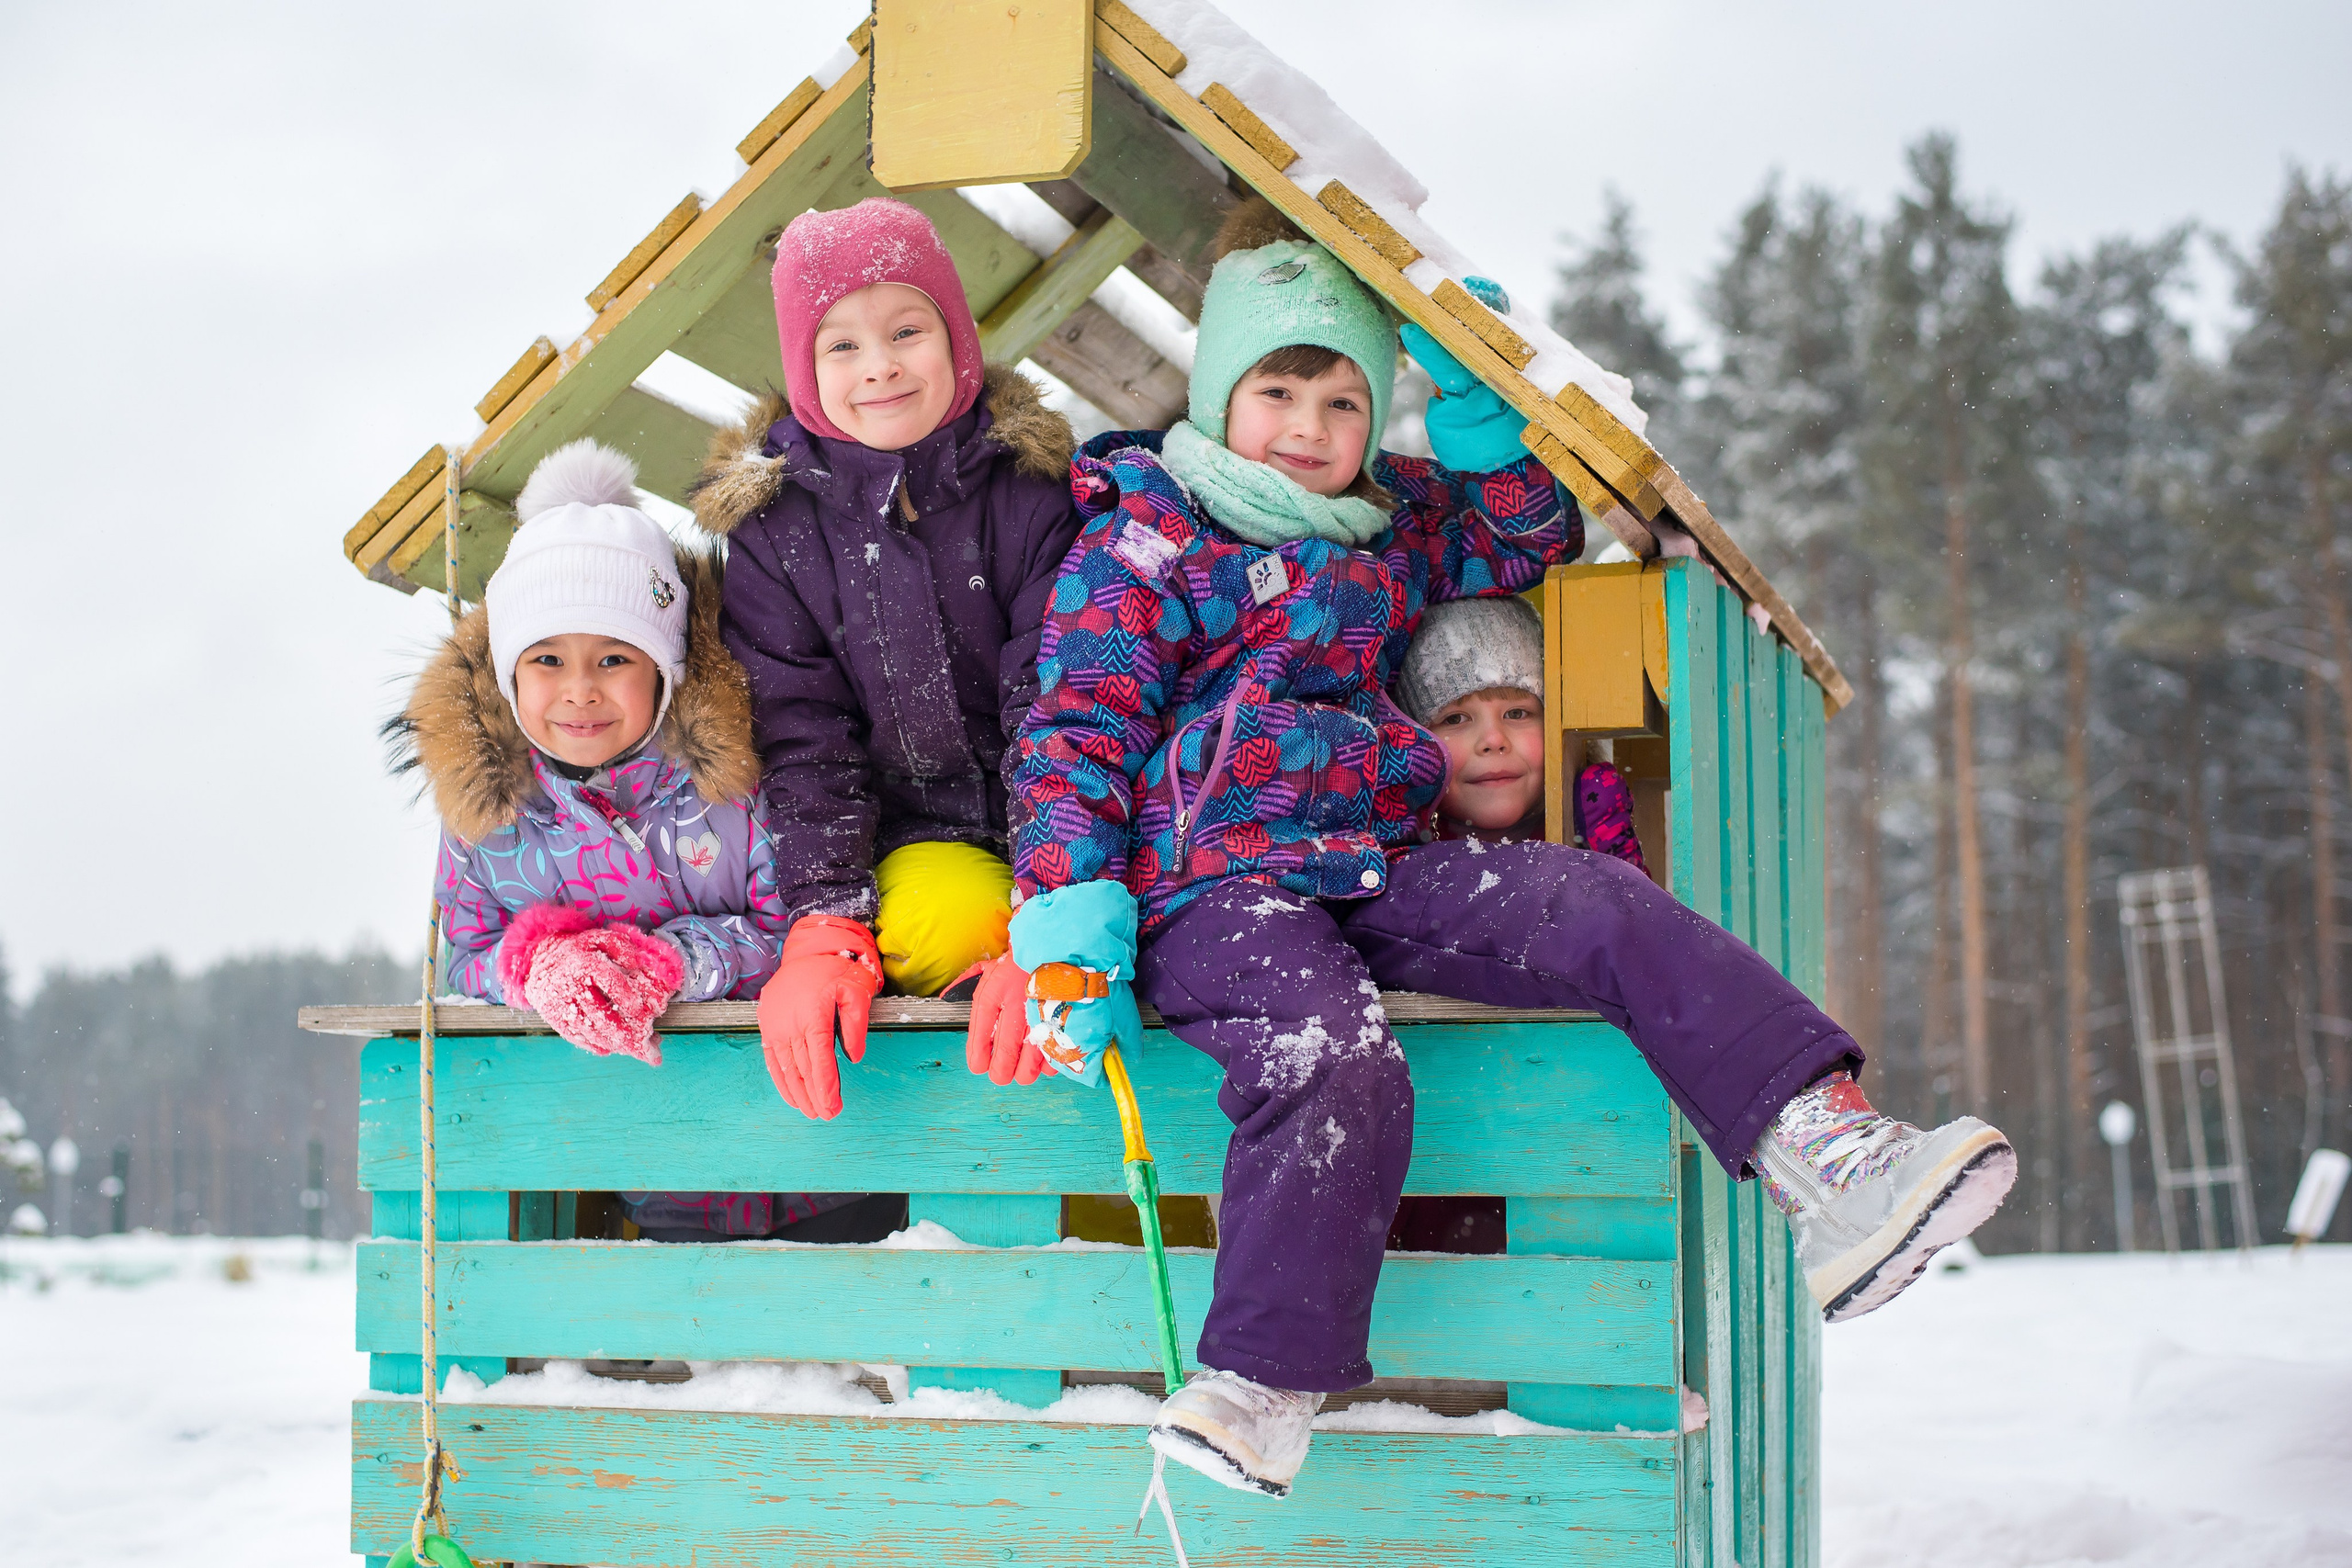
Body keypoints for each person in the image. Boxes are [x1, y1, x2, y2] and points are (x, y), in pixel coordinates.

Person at [967, 199, 2017, 1498]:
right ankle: (1260, 1383)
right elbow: (1077, 723)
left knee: (1595, 898)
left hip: (1371, 863)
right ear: (1220, 391)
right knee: (1331, 1049)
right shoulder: (1147, 533)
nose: (1308, 428)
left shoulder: (1392, 525)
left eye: (1344, 399)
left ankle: (1832, 1151)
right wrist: (1067, 910)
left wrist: (1472, 396)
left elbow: (1526, 532)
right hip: (1209, 889)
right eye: (1277, 389)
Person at [393, 438, 884, 1243]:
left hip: (815, 1155)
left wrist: (673, 959)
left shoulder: (731, 780)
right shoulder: (492, 813)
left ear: (664, 666)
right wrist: (538, 965)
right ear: (512, 673)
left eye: (614, 658)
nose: (579, 690)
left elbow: (791, 925)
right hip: (651, 1166)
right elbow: (467, 953)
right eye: (547, 659)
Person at [689, 197, 1081, 1125]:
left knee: (1084, 952)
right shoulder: (776, 533)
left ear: (957, 343)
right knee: (945, 925)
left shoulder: (1030, 497)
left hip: (1067, 828)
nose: (880, 367)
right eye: (842, 347)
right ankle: (964, 1176)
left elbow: (1059, 701)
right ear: (803, 370)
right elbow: (800, 730)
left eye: (907, 329)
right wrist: (825, 918)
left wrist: (1054, 900)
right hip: (919, 839)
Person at [1396, 592, 1646, 867]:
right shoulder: (1396, 858)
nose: (1493, 740)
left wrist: (1616, 865)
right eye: (1455, 719)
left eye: (1516, 713)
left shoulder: (1589, 838)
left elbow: (1647, 913)